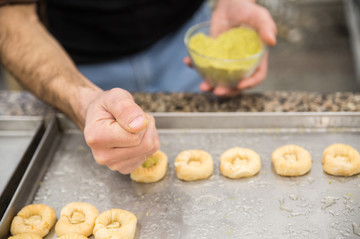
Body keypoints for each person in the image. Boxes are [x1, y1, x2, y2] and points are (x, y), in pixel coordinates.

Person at [0, 0, 276, 174]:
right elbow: (9, 17)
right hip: (70, 63)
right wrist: (82, 100)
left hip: (187, 42)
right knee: (116, 151)